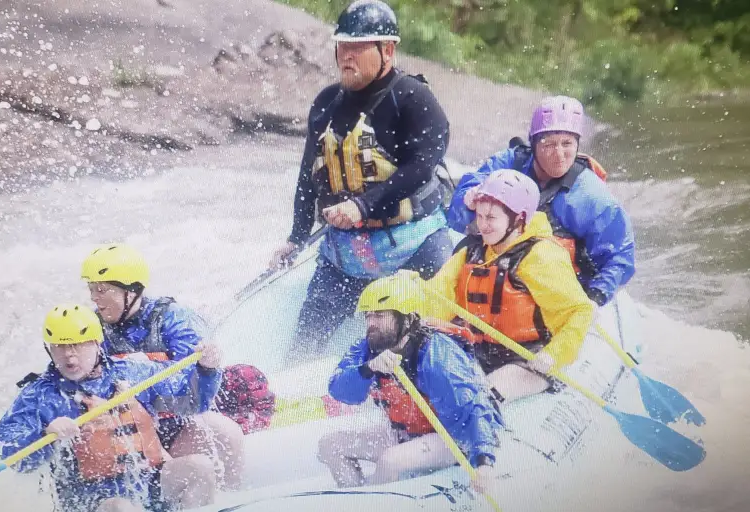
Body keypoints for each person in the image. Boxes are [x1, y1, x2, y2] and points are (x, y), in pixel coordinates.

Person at [268, 0, 457, 356]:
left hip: (413, 247)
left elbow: (421, 167)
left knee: (436, 340)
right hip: (347, 255)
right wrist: (296, 235)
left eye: (357, 48)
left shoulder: (414, 99)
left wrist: (362, 205)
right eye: (342, 46)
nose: (346, 57)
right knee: (303, 346)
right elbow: (309, 174)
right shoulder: (325, 103)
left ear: (387, 50)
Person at [0, 303, 223, 512]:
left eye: (77, 344)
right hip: (89, 499)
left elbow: (193, 400)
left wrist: (206, 370)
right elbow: (6, 447)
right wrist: (44, 433)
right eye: (59, 346)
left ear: (96, 343)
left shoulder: (131, 372)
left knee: (199, 468)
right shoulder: (39, 395)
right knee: (125, 511)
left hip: (146, 480)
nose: (69, 355)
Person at [80, 243, 246, 490]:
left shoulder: (175, 318)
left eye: (102, 290)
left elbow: (194, 398)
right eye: (91, 290)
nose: (94, 298)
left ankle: (230, 500)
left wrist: (206, 369)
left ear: (131, 291)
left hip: (173, 423)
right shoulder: (88, 328)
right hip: (122, 432)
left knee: (226, 433)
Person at [317, 274, 502, 492]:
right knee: (330, 446)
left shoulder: (436, 353)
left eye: (380, 315)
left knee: (390, 461)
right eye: (368, 316)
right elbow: (340, 391)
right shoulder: (369, 346)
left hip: (451, 439)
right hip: (404, 433)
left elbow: (472, 408)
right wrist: (368, 369)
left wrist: (484, 461)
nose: (371, 323)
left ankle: (377, 511)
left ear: (406, 318)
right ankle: (355, 497)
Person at [444, 95, 635, 307]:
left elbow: (619, 257)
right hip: (498, 283)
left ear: (577, 144)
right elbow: (456, 216)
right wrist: (468, 201)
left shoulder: (590, 196)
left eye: (567, 144)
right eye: (549, 144)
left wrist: (595, 297)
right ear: (533, 144)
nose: (559, 154)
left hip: (554, 296)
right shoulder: (508, 163)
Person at [427, 169, 595, 405]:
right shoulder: (472, 252)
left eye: (491, 218)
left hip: (528, 359)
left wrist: (553, 355)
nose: (482, 225)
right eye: (480, 216)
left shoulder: (541, 257)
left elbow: (580, 311)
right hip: (478, 351)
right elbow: (436, 295)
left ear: (518, 219)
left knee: (481, 398)